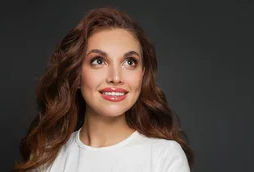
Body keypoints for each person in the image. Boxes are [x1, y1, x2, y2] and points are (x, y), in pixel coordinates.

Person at [13, 7, 193, 172]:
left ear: (142, 75)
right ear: (76, 74)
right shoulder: (48, 159)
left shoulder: (164, 156)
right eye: (99, 61)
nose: (116, 77)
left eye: (129, 62)